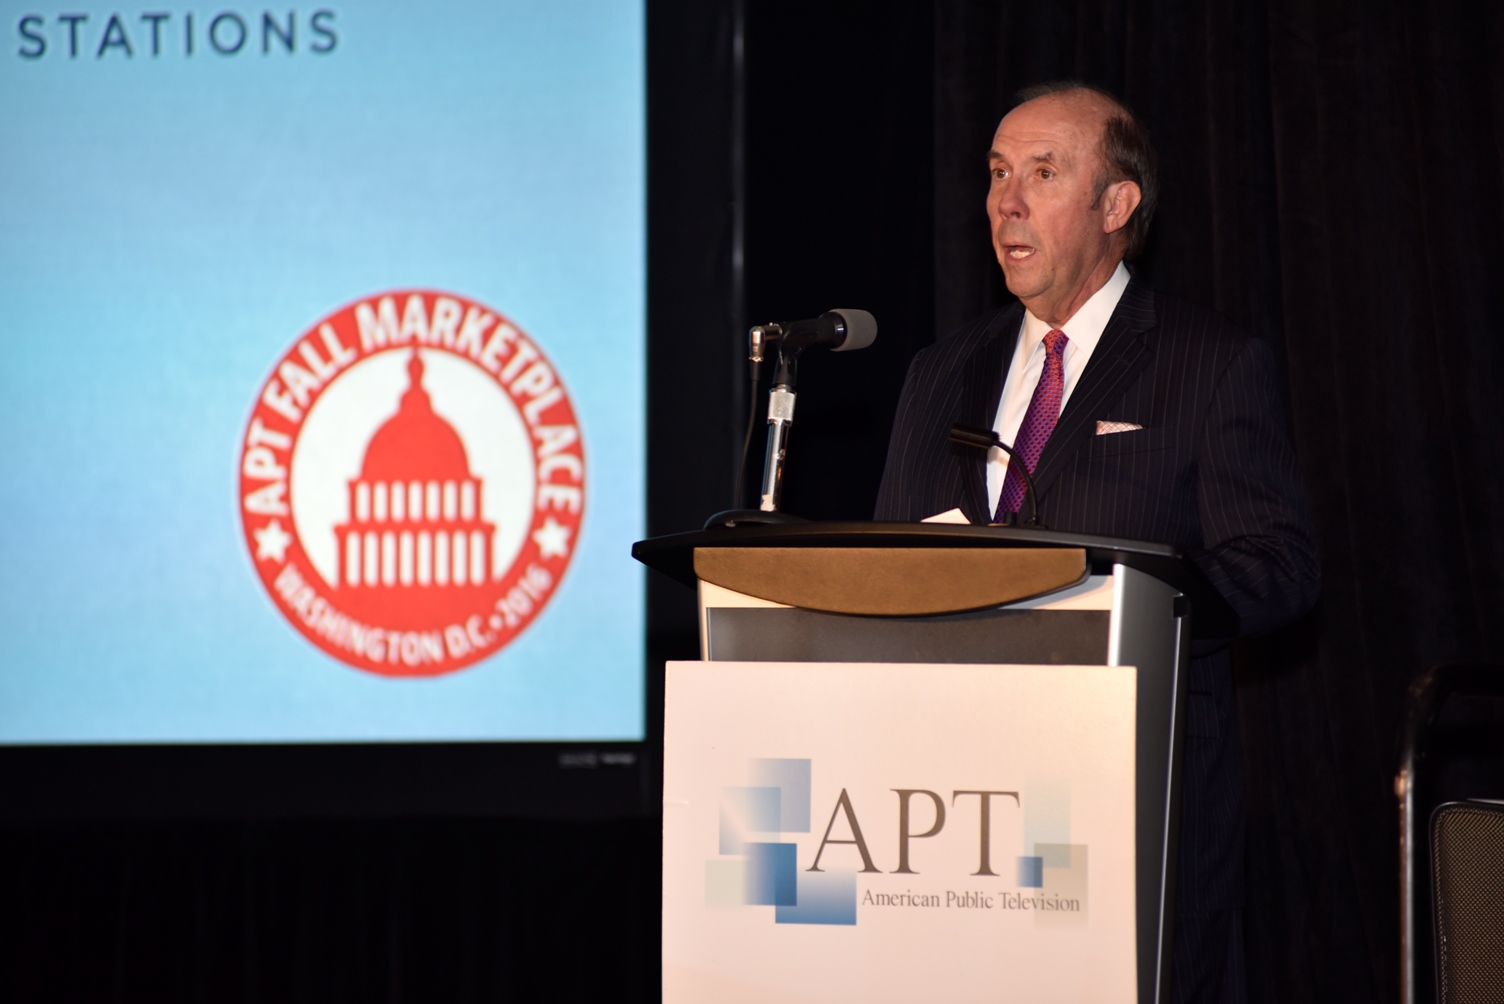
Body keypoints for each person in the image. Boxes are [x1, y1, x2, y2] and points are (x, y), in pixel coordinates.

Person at [874, 82, 1320, 1002]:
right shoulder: (939, 373)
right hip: (945, 826)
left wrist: (1115, 600)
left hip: (1131, 807)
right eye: (998, 172)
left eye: (1043, 173)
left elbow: (1279, 567)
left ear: (1116, 205)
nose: (1006, 201)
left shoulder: (1208, 361)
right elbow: (890, 566)